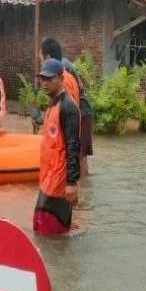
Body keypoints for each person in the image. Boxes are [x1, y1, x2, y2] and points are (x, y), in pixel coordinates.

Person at [35, 59, 80, 235]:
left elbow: (73, 145)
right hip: (47, 180)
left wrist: (71, 183)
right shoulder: (52, 104)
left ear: (61, 79)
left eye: (49, 79)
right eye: (42, 79)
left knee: (52, 234)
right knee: (41, 230)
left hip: (59, 183)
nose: (44, 83)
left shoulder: (68, 108)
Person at [40, 37, 93, 175]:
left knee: (79, 156)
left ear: (48, 57)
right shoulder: (62, 71)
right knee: (80, 157)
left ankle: (81, 188)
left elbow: (70, 109)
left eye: (41, 57)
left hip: (82, 113)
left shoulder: (63, 77)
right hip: (82, 112)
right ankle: (83, 188)